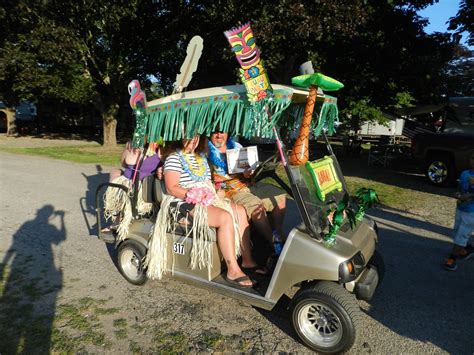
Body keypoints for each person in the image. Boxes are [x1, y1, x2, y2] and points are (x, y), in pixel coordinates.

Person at [145, 134, 260, 288]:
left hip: (205, 198)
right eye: (189, 137)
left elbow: (206, 181)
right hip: (182, 203)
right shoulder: (173, 158)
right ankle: (232, 270)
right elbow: (172, 188)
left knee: (239, 210)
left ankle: (247, 260)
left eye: (196, 137)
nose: (193, 141)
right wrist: (194, 194)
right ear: (179, 138)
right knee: (225, 217)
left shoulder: (201, 157)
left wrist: (213, 192)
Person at [208, 130, 287, 255]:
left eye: (222, 132)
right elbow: (211, 181)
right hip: (229, 190)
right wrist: (226, 182)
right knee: (256, 206)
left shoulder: (236, 147)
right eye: (215, 133)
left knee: (279, 195)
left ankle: (277, 234)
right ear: (210, 135)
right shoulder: (207, 152)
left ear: (228, 134)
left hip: (247, 183)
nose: (219, 136)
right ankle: (275, 247)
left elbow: (249, 167)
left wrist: (249, 172)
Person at [103, 141, 162, 241]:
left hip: (141, 188)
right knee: (115, 172)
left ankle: (118, 219)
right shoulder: (131, 144)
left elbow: (125, 164)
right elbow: (123, 164)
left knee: (118, 179)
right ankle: (117, 218)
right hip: (128, 184)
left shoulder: (159, 149)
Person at [443, 152, 474, 271]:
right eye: (472, 157)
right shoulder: (465, 174)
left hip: (471, 212)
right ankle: (466, 249)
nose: (473, 161)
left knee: (462, 234)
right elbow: (460, 188)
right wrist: (457, 194)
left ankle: (452, 259)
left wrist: (470, 197)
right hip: (460, 208)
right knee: (456, 232)